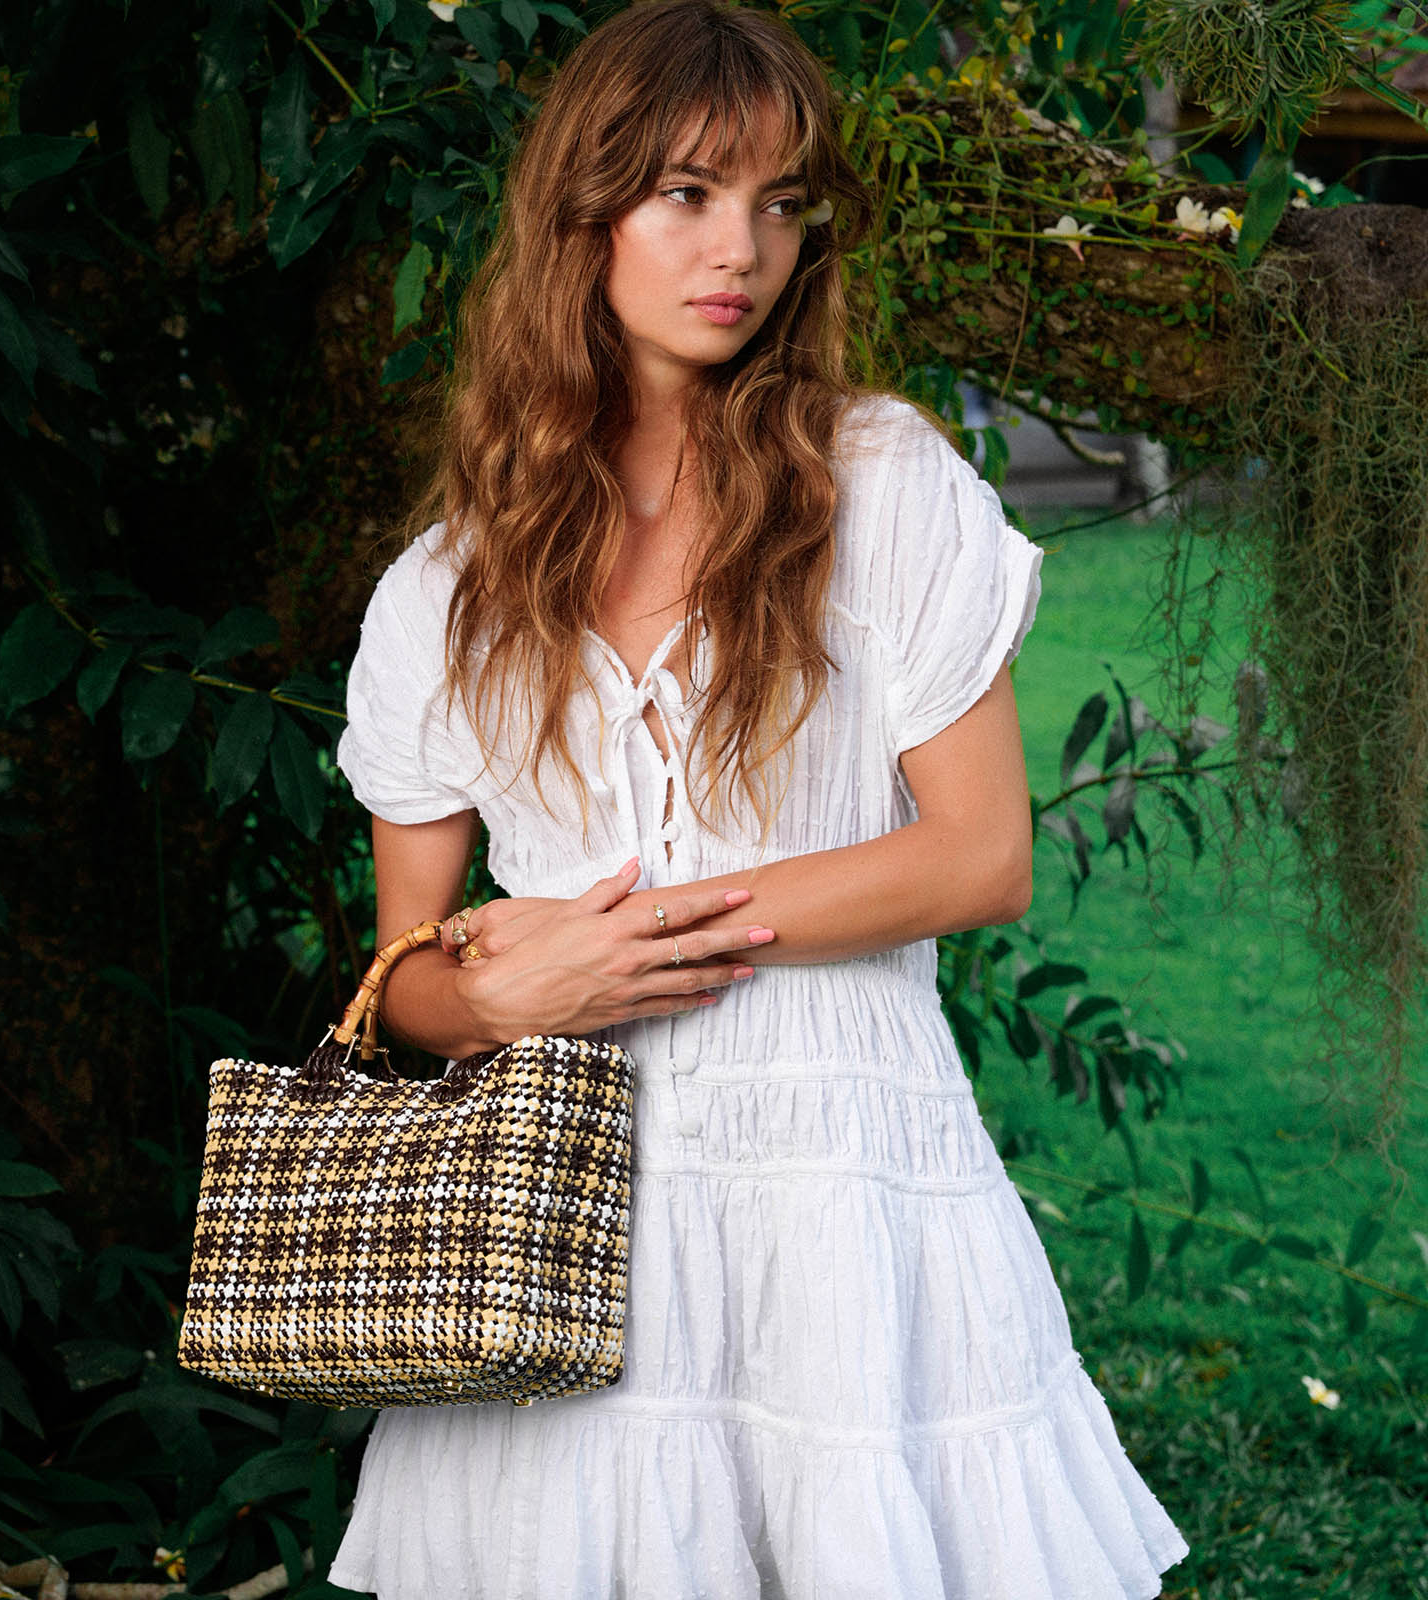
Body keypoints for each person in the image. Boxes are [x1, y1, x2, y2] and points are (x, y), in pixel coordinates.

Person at [326, 1, 1190, 1595]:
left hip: (844, 1184)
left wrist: (627, 940)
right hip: (564, 1215)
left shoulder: (885, 483)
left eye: (783, 206)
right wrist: (519, 990)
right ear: (579, 212)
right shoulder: (444, 588)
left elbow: (981, 856)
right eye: (689, 194)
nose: (743, 250)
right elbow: (407, 989)